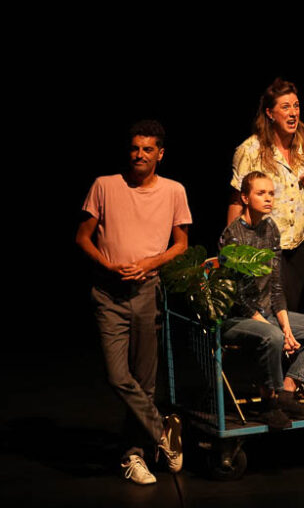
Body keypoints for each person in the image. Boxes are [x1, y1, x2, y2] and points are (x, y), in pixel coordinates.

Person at [76, 120, 190, 485]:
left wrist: (150, 263)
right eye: (134, 148)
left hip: (146, 293)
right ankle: (162, 431)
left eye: (147, 149)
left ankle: (134, 455)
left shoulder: (173, 190)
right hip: (108, 293)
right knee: (117, 376)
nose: (139, 154)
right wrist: (108, 265)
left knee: (145, 382)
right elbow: (82, 237)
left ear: (160, 154)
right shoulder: (105, 185)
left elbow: (181, 244)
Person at [220, 171, 304, 429]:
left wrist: (286, 327)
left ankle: (286, 393)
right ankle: (269, 404)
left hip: (267, 312)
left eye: (271, 193)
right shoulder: (233, 235)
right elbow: (237, 296)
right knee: (273, 336)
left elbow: (276, 285)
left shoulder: (270, 228)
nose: (269, 198)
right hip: (237, 318)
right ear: (245, 198)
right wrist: (277, 331)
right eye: (261, 193)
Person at [228, 78, 304, 313]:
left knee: (298, 314)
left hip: (301, 243)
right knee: (271, 312)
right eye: (285, 107)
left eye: (296, 106)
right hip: (265, 242)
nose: (293, 113)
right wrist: (233, 247)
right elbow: (237, 200)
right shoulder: (250, 150)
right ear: (270, 113)